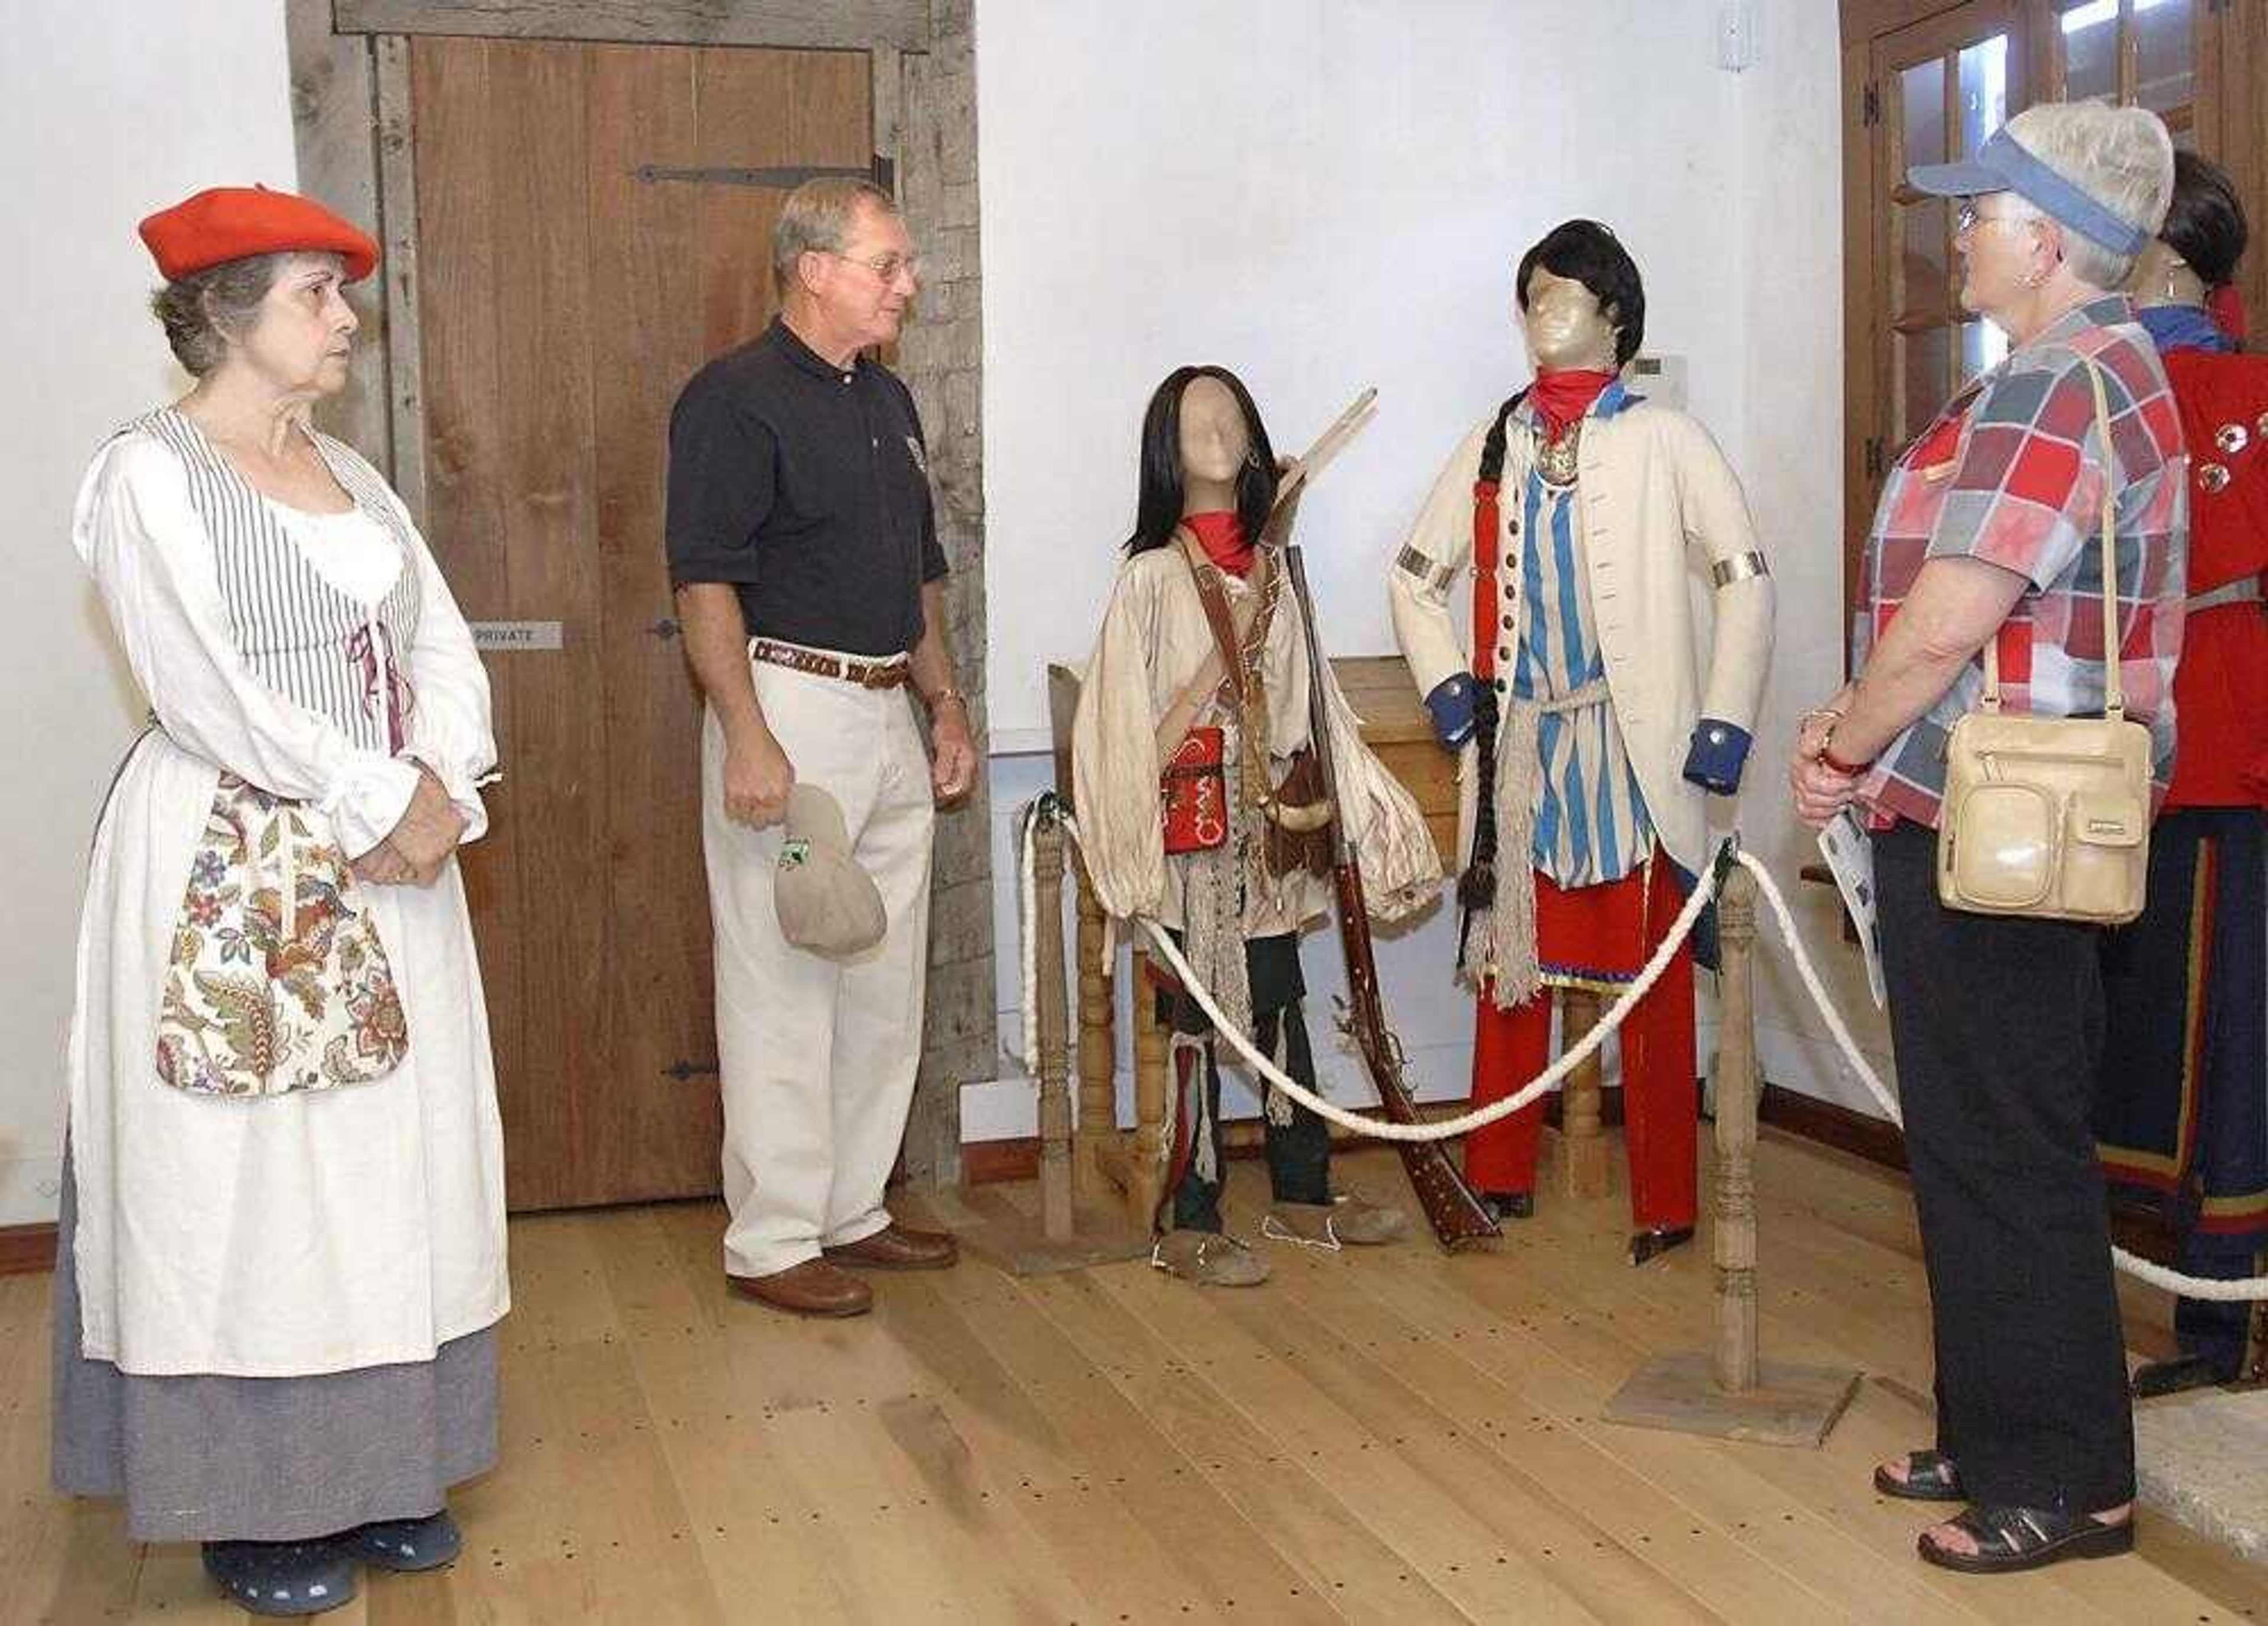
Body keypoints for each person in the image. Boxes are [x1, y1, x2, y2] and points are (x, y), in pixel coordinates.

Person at [56, 185, 507, 1615]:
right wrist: (373, 798)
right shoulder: (147, 475)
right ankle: (248, 1501)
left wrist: (439, 781)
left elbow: (439, 642)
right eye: (317, 293)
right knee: (246, 1181)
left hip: (390, 867)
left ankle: (382, 1472)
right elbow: (204, 683)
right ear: (228, 311)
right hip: (233, 856)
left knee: (393, 1162)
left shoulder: (355, 479)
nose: (343, 319)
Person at [1790, 103, 2185, 1574]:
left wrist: (1837, 741)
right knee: (1979, 1138)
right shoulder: (2107, 371)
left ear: (2052, 239)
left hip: (1990, 826)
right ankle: (1999, 1421)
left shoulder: (2051, 388)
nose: (1956, 232)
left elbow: (1951, 619)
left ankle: (2067, 1481)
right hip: (2008, 816)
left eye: (1981, 212)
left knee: (2006, 1149)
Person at [1389, 220, 1774, 1263]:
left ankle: (1667, 1197)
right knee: (1512, 964)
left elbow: (1744, 575)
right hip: (1525, 749)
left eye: (1561, 295)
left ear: (1615, 314)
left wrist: (1726, 717)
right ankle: (1498, 1172)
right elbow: (1413, 576)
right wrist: (1448, 689)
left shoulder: (1668, 439)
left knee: (1649, 981)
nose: (1540, 315)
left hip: (1635, 743)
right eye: (1531, 298)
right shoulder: (1494, 438)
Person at [666, 177, 977, 1319]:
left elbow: (922, 574)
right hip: (787, 710)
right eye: (888, 263)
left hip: (887, 707)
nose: (910, 282)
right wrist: (747, 739)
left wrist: (943, 703)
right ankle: (775, 1237)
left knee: (880, 977)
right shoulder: (732, 400)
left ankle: (852, 1209)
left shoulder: (887, 399)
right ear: (815, 269)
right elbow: (703, 580)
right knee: (783, 976)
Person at [1071, 366, 1439, 1286]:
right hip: (1192, 842)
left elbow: (1314, 701)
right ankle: (1186, 1217)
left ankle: (1303, 1191)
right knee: (1194, 1019)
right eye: (1199, 420)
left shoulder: (1276, 572)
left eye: (1232, 416)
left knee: (1280, 1000)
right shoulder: (1152, 581)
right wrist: (1124, 853)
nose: (1219, 430)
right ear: (1167, 447)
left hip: (1267, 838)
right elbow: (1115, 725)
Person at [2095, 150, 2267, 1396]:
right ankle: (2154, 1305)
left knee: (2232, 1049)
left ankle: (2225, 1323)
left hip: (2222, 740)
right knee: (2135, 1034)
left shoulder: (2237, 387)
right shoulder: (2102, 384)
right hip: (2108, 748)